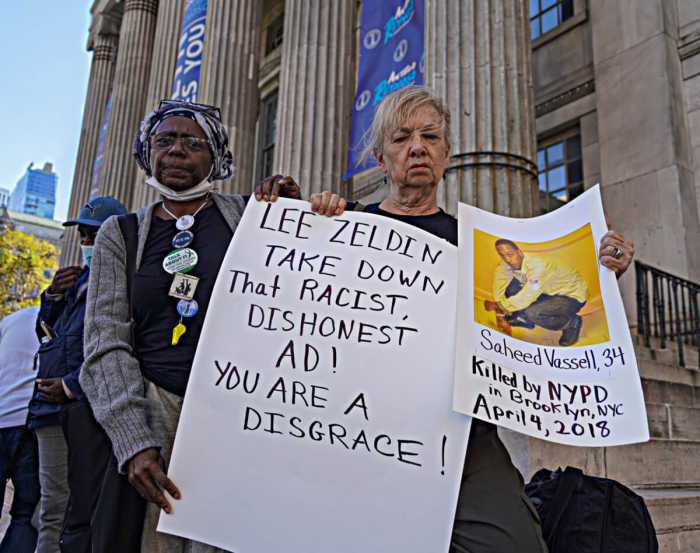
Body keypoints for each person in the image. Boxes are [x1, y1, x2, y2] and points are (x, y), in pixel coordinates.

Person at [309, 86, 634, 553]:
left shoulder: (477, 246)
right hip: (356, 421)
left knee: (516, 545)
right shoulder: (347, 227)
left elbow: (530, 315)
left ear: (446, 154)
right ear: (380, 158)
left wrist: (601, 272)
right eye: (401, 138)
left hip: (460, 430)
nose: (417, 147)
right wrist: (311, 222)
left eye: (430, 136)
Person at [80, 99, 299, 553]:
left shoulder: (250, 217)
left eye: (192, 143)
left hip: (233, 415)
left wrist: (296, 215)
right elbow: (104, 341)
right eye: (165, 141)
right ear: (148, 152)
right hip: (154, 410)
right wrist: (133, 440)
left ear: (215, 157)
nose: (177, 151)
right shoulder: (120, 234)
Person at [29, 197, 127, 553]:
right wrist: (53, 296)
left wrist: (72, 385)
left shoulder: (123, 279)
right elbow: (47, 335)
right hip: (50, 408)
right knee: (51, 506)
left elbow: (117, 345)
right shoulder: (78, 280)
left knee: (70, 508)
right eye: (84, 235)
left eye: (94, 235)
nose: (87, 243)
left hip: (85, 407)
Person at [488, 238, 589, 346]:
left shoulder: (538, 265)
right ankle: (525, 319)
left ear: (519, 252)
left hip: (571, 296)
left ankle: (570, 323)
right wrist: (499, 303)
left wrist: (502, 307)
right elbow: (499, 281)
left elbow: (527, 296)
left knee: (533, 313)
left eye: (510, 254)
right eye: (502, 255)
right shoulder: (508, 262)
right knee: (511, 289)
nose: (507, 259)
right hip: (547, 291)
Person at [0, 306, 41, 553]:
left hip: (2, 413)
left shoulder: (10, 320)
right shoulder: (65, 318)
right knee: (26, 513)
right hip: (31, 422)